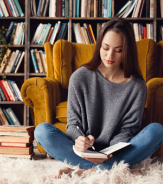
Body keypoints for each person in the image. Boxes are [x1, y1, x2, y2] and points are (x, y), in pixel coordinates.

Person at [34, 18, 163, 178]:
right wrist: (79, 140)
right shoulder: (79, 77)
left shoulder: (137, 86)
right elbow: (73, 124)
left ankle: (87, 172)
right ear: (99, 45)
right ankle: (114, 169)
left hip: (116, 151)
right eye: (106, 48)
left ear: (127, 51)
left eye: (118, 50)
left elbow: (128, 129)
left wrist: (111, 152)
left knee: (157, 130)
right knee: (42, 131)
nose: (110, 55)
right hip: (83, 151)